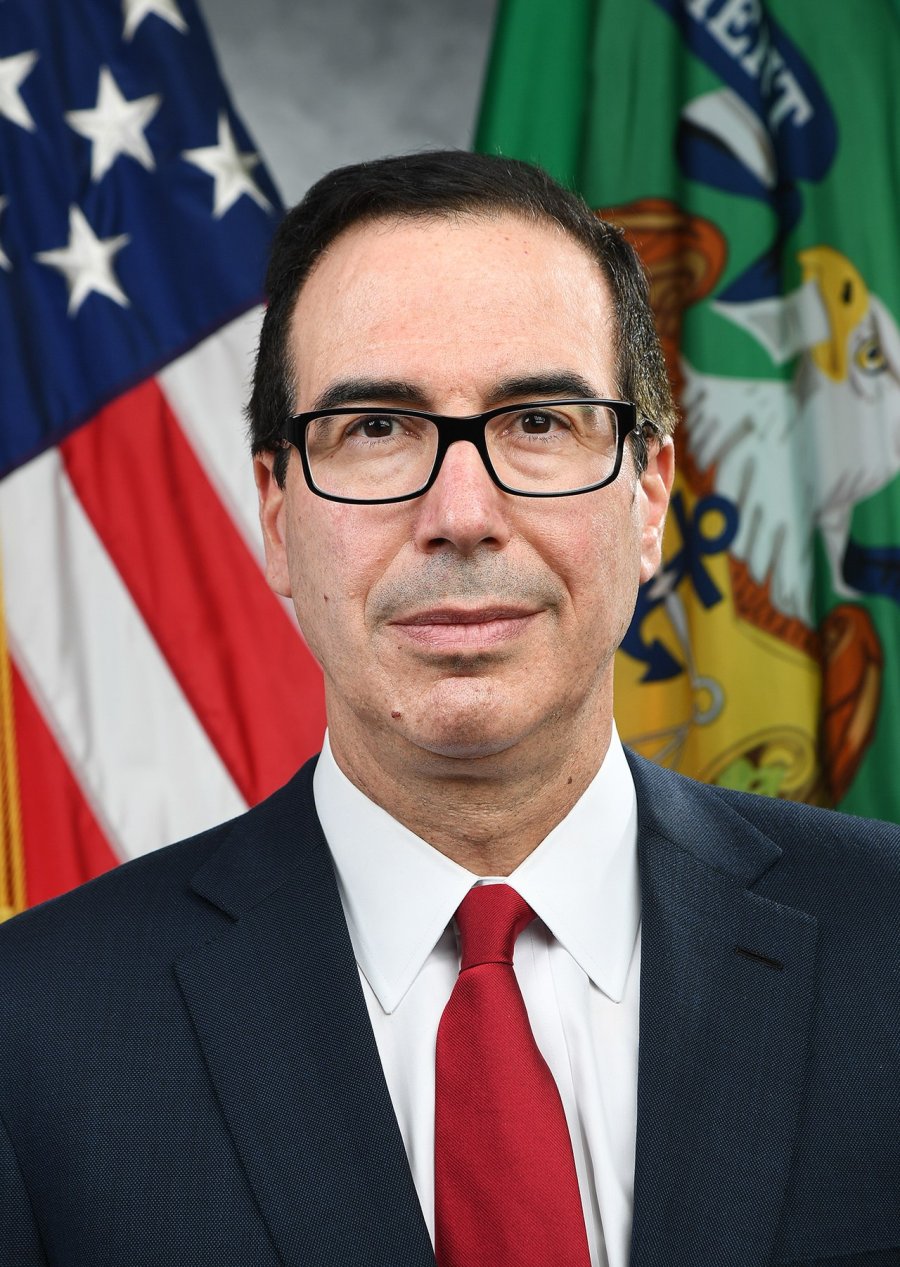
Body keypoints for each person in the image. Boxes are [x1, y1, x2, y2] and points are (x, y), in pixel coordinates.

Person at [1, 151, 898, 1267]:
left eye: (539, 422)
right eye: (377, 428)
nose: (461, 513)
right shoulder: (32, 1034)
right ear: (277, 515)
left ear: (649, 496)